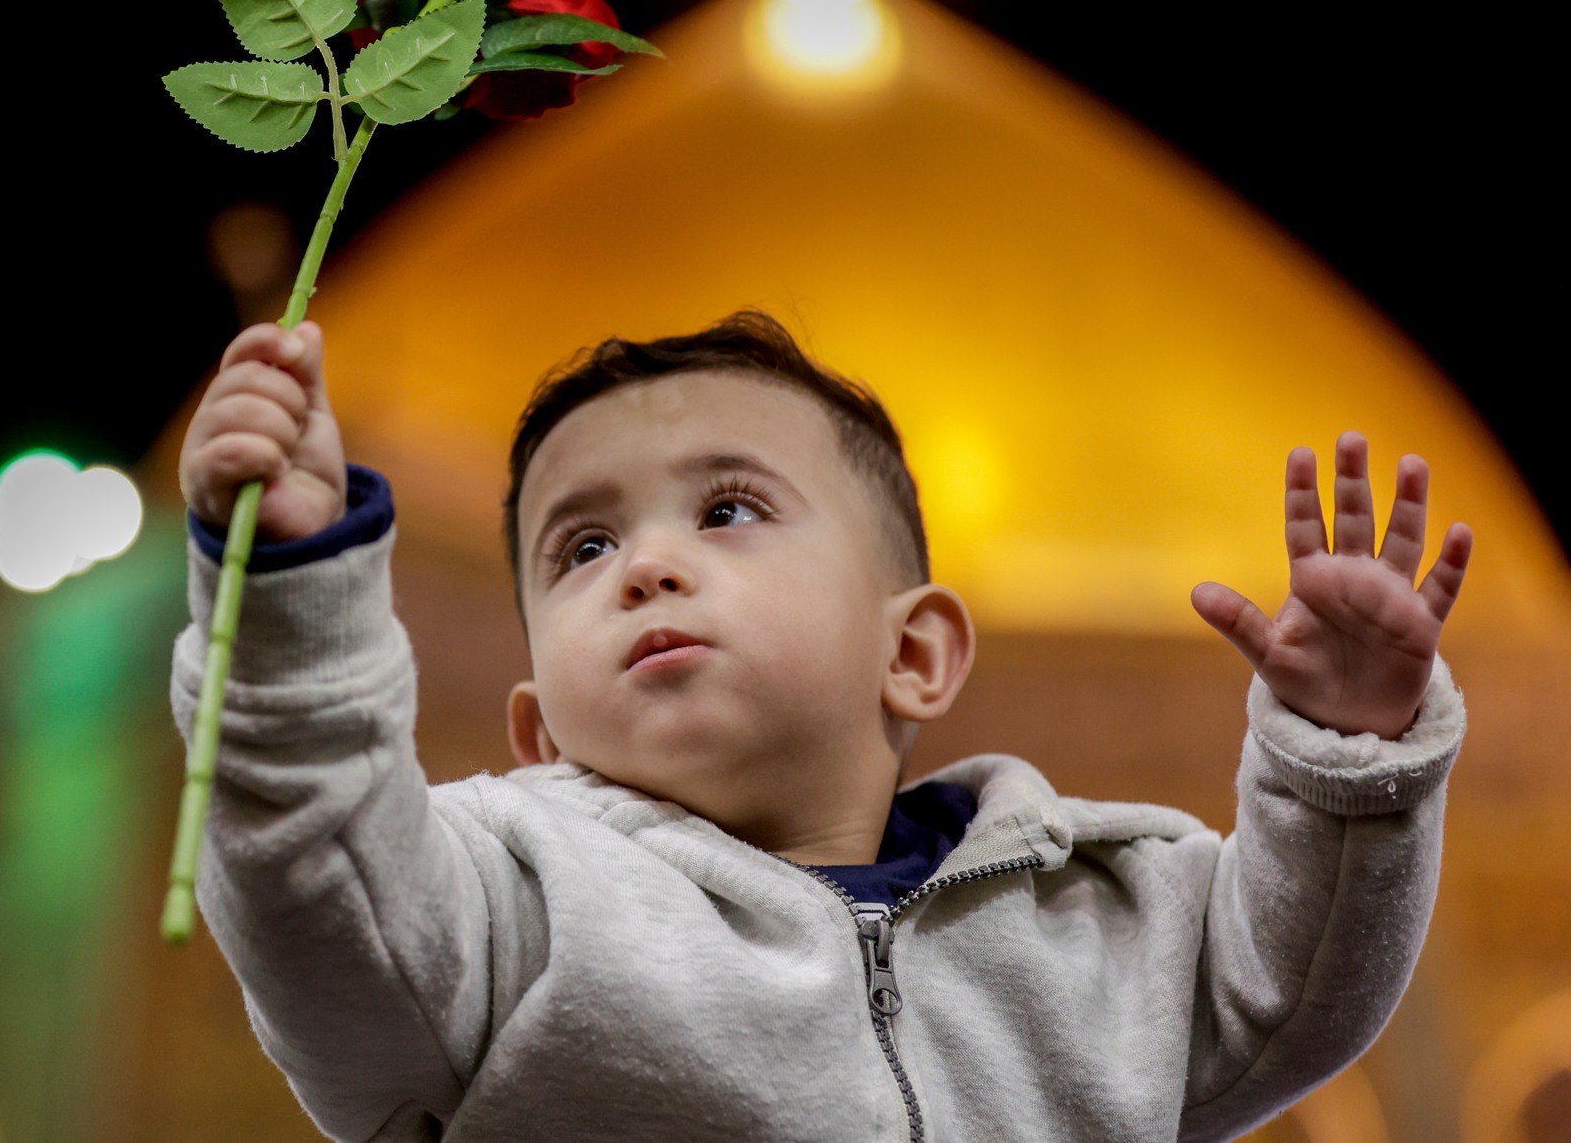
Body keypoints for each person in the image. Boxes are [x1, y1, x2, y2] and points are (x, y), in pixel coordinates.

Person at [172, 309, 1470, 1141]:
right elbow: (321, 875)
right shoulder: (504, 908)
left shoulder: (1103, 913)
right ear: (535, 730)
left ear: (912, 651)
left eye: (728, 508)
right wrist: (292, 597)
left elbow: (1297, 991)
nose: (647, 565)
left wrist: (1344, 741)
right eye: (583, 544)